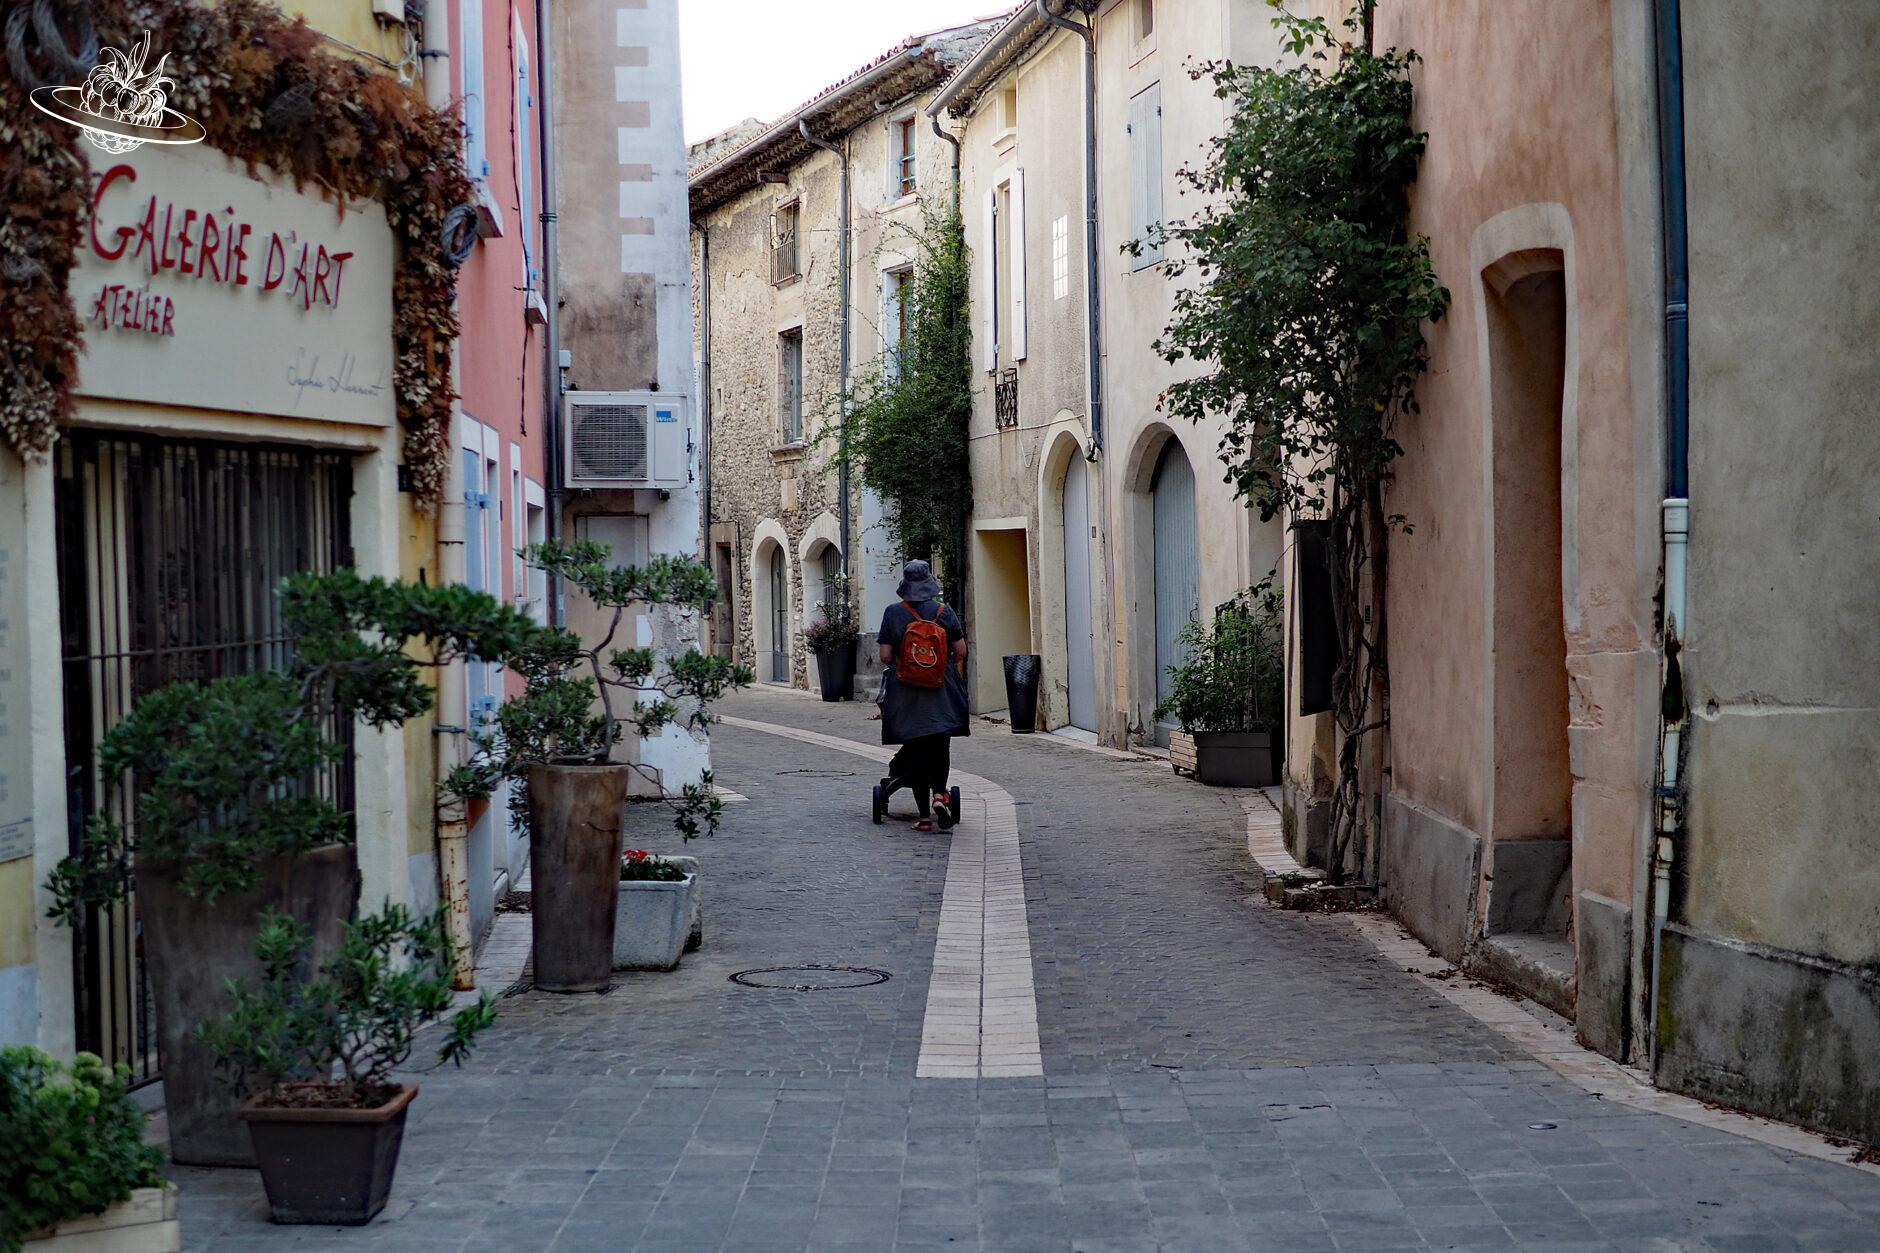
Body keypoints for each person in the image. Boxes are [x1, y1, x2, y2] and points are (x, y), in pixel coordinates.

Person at [877, 559, 968, 832]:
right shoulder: (944, 611)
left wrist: (904, 664)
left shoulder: (893, 613)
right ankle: (940, 795)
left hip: (907, 694)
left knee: (916, 746)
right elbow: (961, 651)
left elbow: (884, 656)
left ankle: (925, 817)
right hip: (941, 691)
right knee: (940, 744)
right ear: (928, 582)